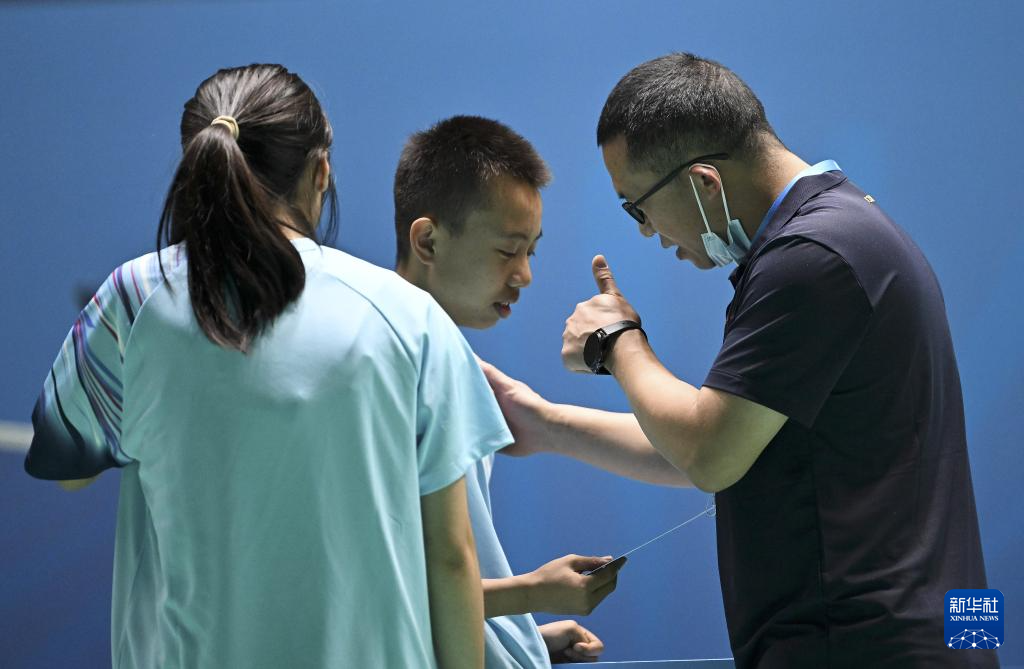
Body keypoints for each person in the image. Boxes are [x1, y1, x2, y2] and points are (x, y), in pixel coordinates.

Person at [479, 53, 996, 668]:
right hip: (927, 638)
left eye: (636, 207)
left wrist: (617, 340)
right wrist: (544, 424)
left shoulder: (812, 257)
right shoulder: (849, 229)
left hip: (863, 648)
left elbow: (710, 454)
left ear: (704, 182)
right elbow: (725, 441)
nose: (645, 232)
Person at [25, 64, 506, 669]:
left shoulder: (132, 298)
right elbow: (452, 557)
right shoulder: (409, 316)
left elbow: (68, 469)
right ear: (320, 172)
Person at [394, 115, 623, 667]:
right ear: (427, 240)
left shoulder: (450, 357)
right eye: (507, 250)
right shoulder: (395, 362)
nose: (524, 275)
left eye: (531, 252)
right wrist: (530, 593)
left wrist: (519, 638)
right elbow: (385, 584)